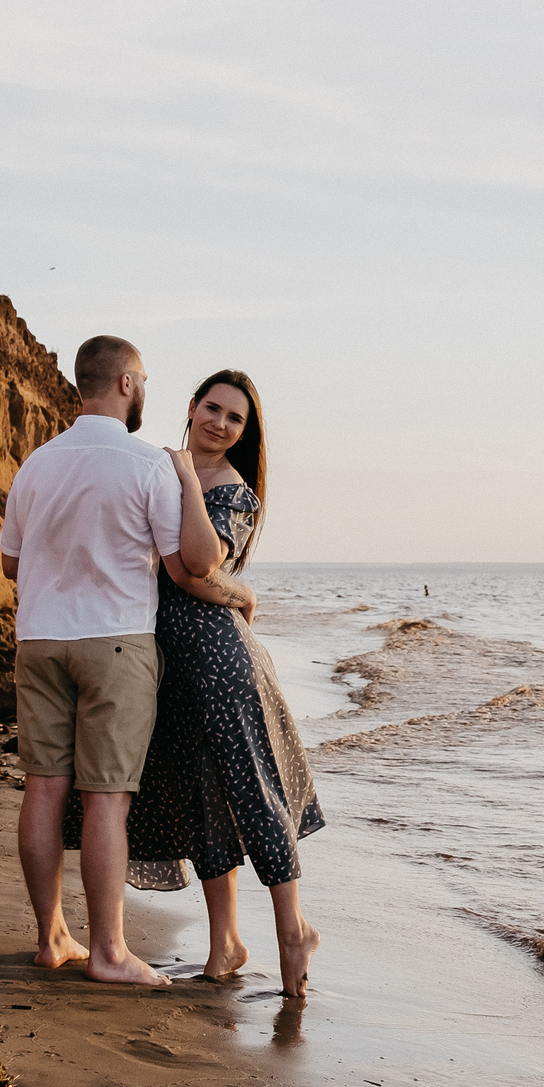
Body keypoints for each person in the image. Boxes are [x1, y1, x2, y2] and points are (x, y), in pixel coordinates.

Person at [83, 369, 323, 997]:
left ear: (245, 432)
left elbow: (195, 567)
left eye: (234, 418)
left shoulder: (232, 490)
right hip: (165, 660)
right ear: (191, 406)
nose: (220, 423)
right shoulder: (155, 467)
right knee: (200, 799)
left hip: (219, 660)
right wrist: (240, 590)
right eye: (212, 408)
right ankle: (226, 943)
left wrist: (191, 481)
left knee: (252, 789)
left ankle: (294, 930)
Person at [0, 335, 219, 987]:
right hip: (116, 643)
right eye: (143, 380)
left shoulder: (36, 464)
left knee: (43, 788)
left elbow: (10, 562)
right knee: (105, 799)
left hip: (39, 641)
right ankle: (109, 952)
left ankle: (51, 938)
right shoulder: (147, 464)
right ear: (126, 383)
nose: (144, 390)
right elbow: (187, 564)